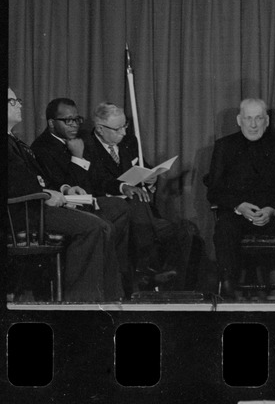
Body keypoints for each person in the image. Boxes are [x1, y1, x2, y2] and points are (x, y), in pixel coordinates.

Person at [7, 88, 123, 302]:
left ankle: (110, 300)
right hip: (25, 211)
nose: (20, 105)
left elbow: (39, 178)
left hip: (39, 204)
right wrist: (43, 193)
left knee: (105, 225)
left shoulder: (15, 141)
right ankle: (81, 300)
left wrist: (63, 190)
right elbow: (11, 185)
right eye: (13, 101)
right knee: (94, 227)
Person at [79, 102, 200, 292]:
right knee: (136, 203)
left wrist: (151, 179)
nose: (123, 133)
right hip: (111, 211)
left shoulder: (129, 142)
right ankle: (149, 271)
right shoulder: (87, 146)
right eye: (117, 129)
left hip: (142, 214)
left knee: (186, 231)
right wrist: (123, 186)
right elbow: (95, 181)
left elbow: (143, 168)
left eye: (124, 126)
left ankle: (176, 291)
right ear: (100, 129)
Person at [205, 98, 275, 300]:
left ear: (266, 121)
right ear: (239, 120)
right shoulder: (224, 146)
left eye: (258, 118)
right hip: (237, 215)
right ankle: (228, 289)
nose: (253, 124)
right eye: (248, 118)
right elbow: (214, 190)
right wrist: (238, 206)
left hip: (273, 215)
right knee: (224, 229)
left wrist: (272, 209)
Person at [30, 97, 132, 285]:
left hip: (89, 200)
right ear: (52, 123)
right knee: (103, 223)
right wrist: (77, 158)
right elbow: (61, 186)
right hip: (65, 207)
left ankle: (113, 275)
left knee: (120, 206)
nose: (74, 125)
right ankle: (96, 280)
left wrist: (120, 186)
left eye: (77, 119)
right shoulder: (42, 147)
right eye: (68, 120)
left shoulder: (82, 139)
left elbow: (97, 178)